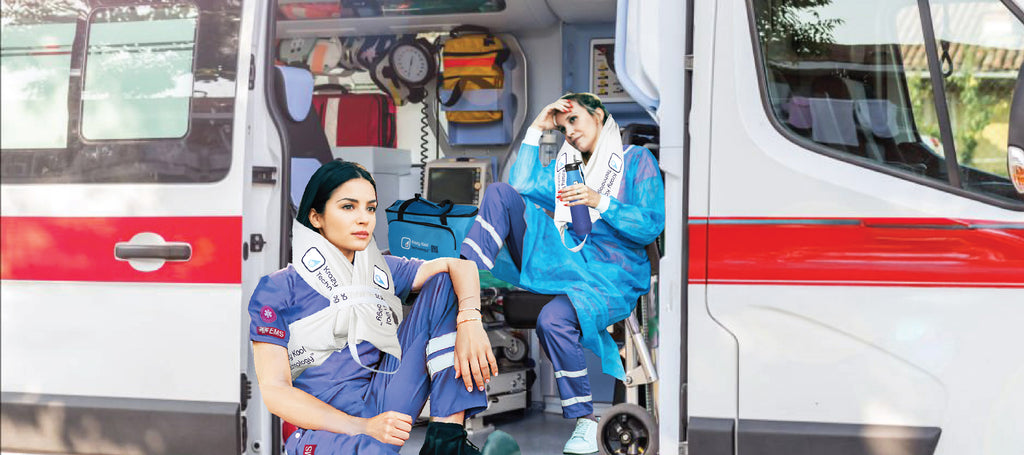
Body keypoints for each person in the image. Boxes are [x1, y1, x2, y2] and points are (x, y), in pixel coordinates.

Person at [459, 93, 665, 454]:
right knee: (500, 193)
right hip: (565, 261)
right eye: (562, 124)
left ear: (599, 115)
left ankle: (584, 423)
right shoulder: (568, 169)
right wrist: (538, 127)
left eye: (575, 120)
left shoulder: (637, 161)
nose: (569, 131)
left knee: (552, 320)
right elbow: (521, 185)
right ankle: (462, 280)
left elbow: (649, 226)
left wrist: (598, 200)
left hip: (612, 276)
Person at [248, 160, 500, 455]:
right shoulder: (277, 289)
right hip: (325, 425)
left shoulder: (379, 269)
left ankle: (446, 441)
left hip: (384, 396)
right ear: (316, 217)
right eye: (348, 207)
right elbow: (276, 391)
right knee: (372, 449)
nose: (364, 219)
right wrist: (363, 427)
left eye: (370, 208)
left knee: (446, 282)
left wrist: (471, 322)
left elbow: (460, 266)